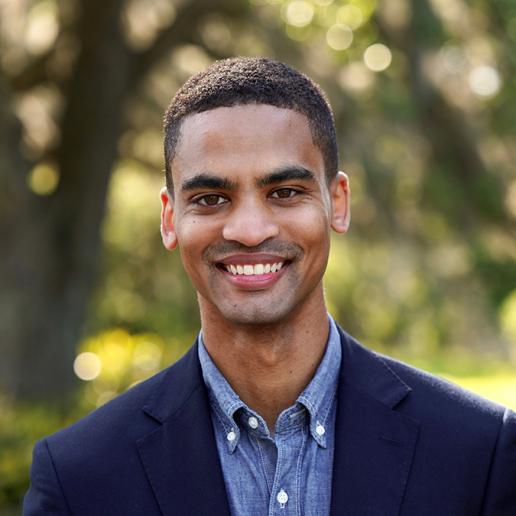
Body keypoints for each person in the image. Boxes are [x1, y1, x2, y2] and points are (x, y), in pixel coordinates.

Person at [24, 57, 516, 516]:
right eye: (212, 198)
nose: (250, 229)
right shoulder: (78, 477)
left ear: (337, 202)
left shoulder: (478, 451)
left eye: (284, 192)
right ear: (170, 219)